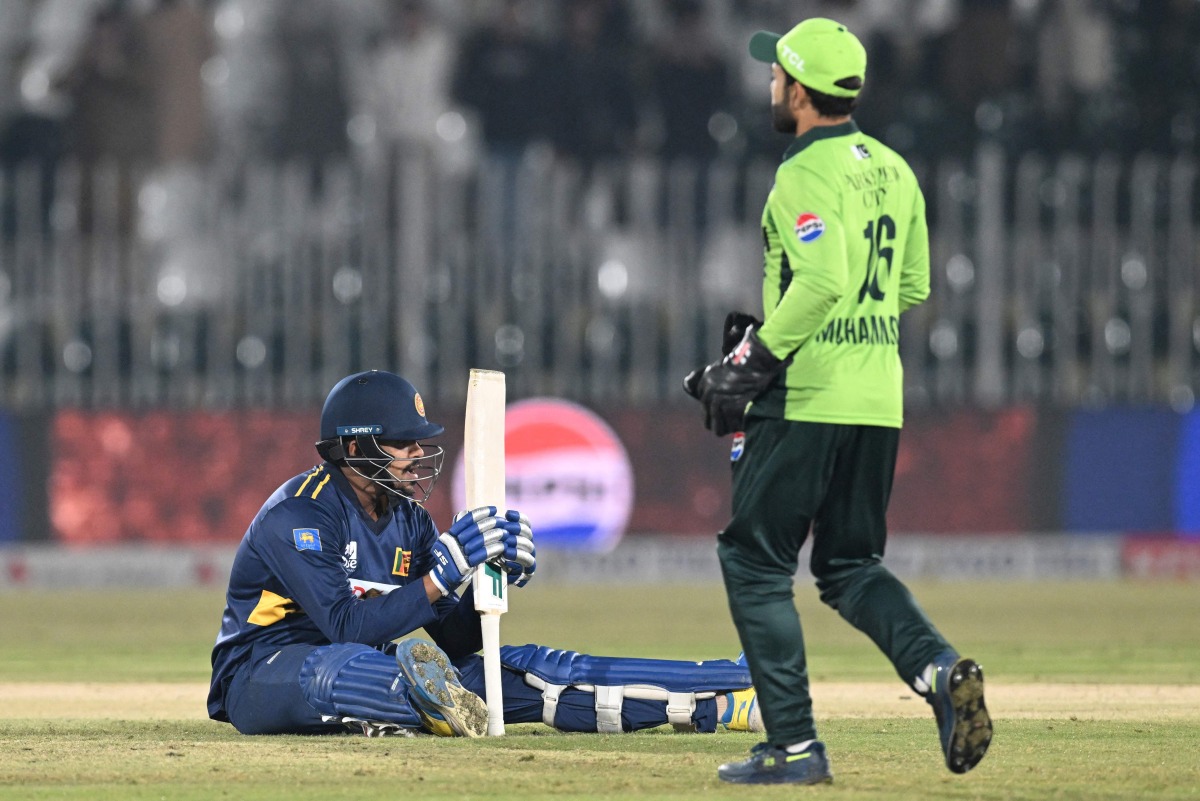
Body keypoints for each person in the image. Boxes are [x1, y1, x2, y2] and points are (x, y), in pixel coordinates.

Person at [683, 18, 992, 785]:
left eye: (776, 75)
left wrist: (750, 363)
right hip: (877, 397)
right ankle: (938, 671)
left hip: (807, 395)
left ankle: (793, 747)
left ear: (799, 90)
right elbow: (912, 284)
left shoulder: (800, 174)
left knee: (754, 561)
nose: (769, 86)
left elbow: (818, 281)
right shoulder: (893, 168)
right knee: (852, 564)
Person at [208, 369, 759, 737]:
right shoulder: (299, 515)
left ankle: (720, 692)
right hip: (263, 673)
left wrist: (484, 580)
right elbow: (346, 625)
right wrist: (439, 577)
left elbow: (452, 637)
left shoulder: (408, 518)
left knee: (522, 671)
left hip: (384, 667)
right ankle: (424, 707)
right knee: (349, 665)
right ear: (354, 447)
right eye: (404, 442)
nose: (418, 453)